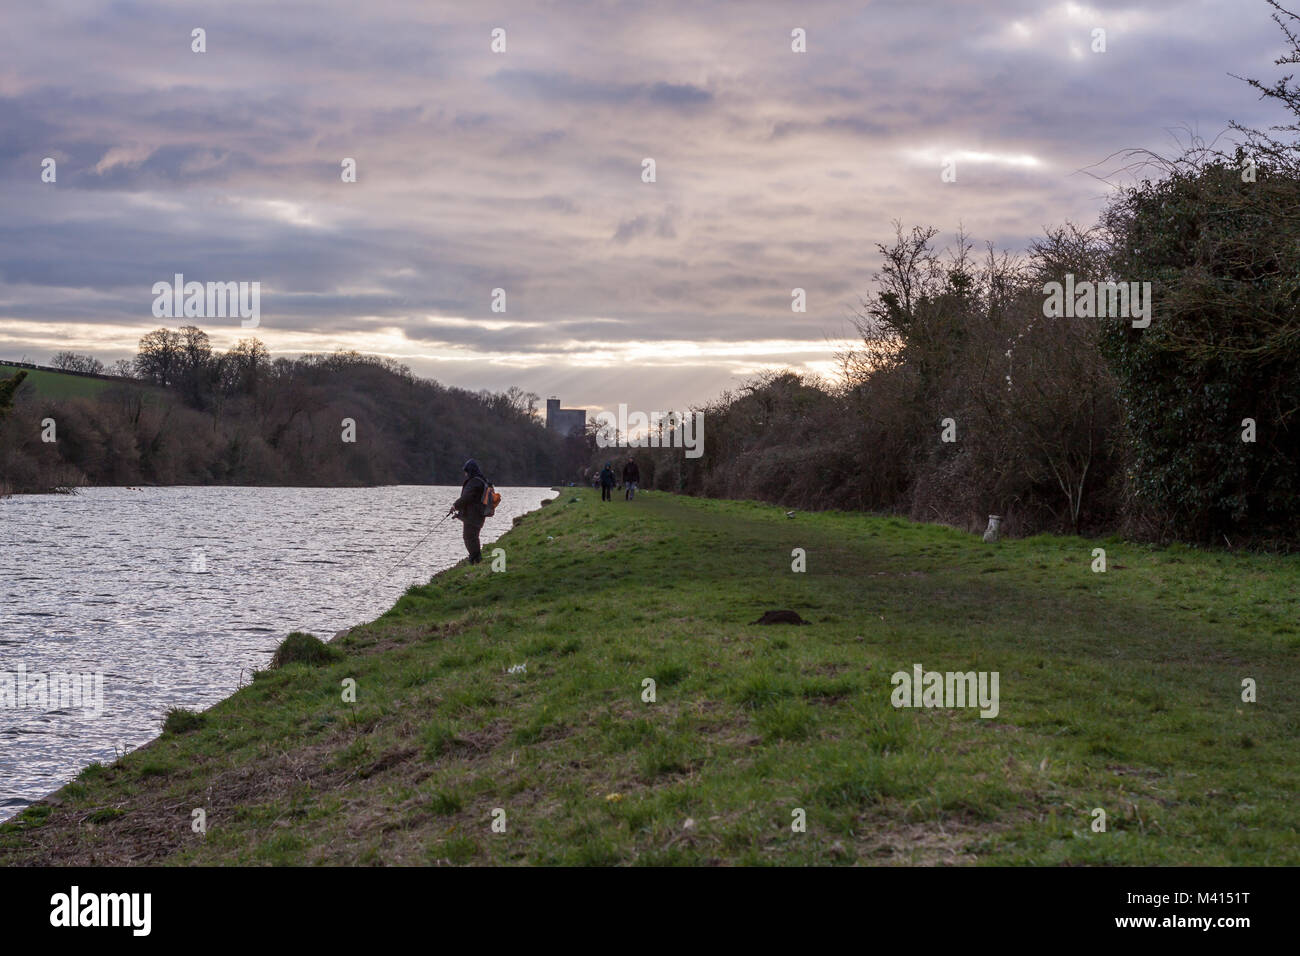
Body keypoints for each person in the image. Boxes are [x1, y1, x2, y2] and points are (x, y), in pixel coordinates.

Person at [449, 458, 488, 563]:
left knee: (469, 537)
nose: (465, 474)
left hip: (473, 515)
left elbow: (467, 497)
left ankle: (475, 559)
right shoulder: (482, 480)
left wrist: (455, 506)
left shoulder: (474, 482)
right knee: (472, 536)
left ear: (470, 471)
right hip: (479, 514)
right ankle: (475, 558)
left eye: (466, 471)